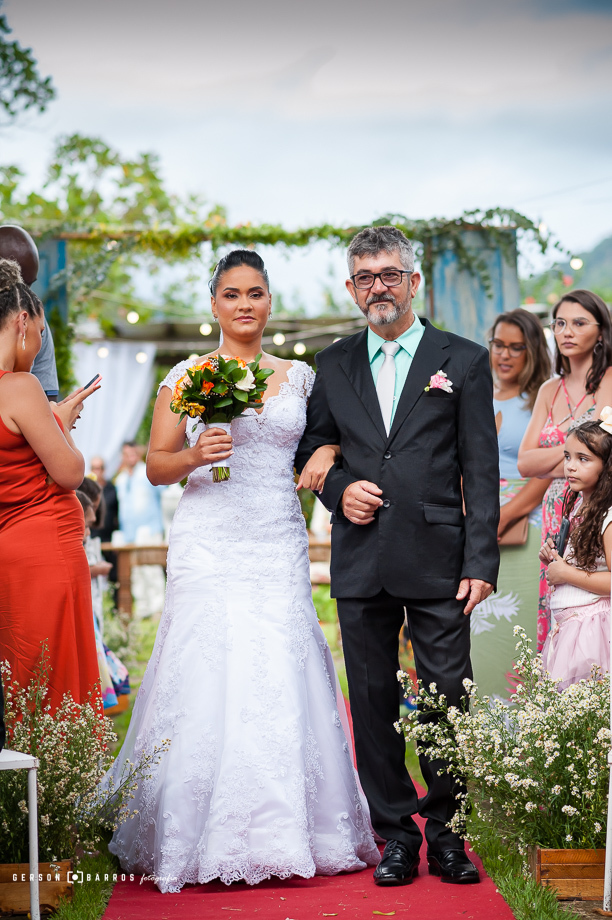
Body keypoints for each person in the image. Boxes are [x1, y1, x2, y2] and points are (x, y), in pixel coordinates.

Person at [104, 249, 380, 892]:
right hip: (208, 537)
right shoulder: (187, 375)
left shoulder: (301, 377)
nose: (245, 304)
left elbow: (324, 439)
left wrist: (330, 450)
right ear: (215, 305)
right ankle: (193, 826)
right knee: (205, 663)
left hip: (274, 536)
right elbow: (156, 464)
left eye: (256, 293)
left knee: (278, 660)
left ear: (270, 302)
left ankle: (291, 829)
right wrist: (197, 452)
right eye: (232, 294)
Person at [295, 226, 500, 887]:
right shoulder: (332, 364)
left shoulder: (462, 359)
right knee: (375, 702)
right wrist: (336, 488)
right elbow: (312, 450)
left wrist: (480, 561)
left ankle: (446, 835)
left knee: (445, 698)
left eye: (389, 274)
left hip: (442, 556)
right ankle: (395, 837)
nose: (377, 287)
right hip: (362, 558)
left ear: (413, 282)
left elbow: (482, 467)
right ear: (351, 289)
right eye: (364, 277)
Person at [0, 259, 100, 712]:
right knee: (54, 675)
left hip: (11, 548)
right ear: (22, 321)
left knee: (21, 672)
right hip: (44, 549)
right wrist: (61, 422)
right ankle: (58, 780)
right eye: (40, 332)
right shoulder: (21, 387)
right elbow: (71, 473)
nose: (40, 344)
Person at [518, 290, 612, 650]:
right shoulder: (548, 390)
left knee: (592, 605)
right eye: (559, 323)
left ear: (601, 332)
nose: (566, 331)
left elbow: (607, 453)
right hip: (555, 509)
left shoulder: (608, 380)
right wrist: (579, 452)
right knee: (558, 602)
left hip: (597, 504)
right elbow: (526, 463)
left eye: (578, 323)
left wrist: (557, 458)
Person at [470, 310, 551, 699]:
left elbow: (547, 471)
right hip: (473, 518)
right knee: (475, 630)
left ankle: (523, 740)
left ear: (532, 351)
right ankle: (480, 739)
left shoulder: (541, 398)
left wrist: (503, 516)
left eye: (516, 347)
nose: (504, 354)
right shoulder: (474, 392)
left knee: (518, 626)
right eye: (498, 344)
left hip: (525, 521)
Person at [539, 417, 612, 689]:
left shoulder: (608, 516)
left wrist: (565, 572)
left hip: (593, 629)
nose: (570, 466)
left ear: (607, 466)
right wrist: (555, 556)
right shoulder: (579, 508)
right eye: (567, 456)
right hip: (570, 626)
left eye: (583, 459)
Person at [0, 225, 59, 399]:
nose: (22, 296)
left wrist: (59, 414)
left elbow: (48, 399)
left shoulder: (33, 321)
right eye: (12, 286)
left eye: (29, 285)